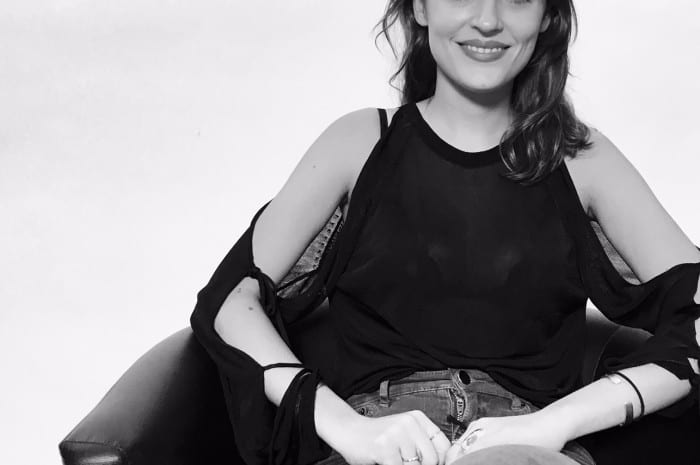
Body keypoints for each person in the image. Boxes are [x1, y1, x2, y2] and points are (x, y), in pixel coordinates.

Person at [189, 1, 700, 465]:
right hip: (380, 441)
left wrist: (556, 423)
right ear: (420, 7)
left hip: (528, 447)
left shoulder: (582, 160)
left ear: (548, 16)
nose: (488, 20)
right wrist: (344, 425)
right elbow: (230, 299)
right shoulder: (359, 143)